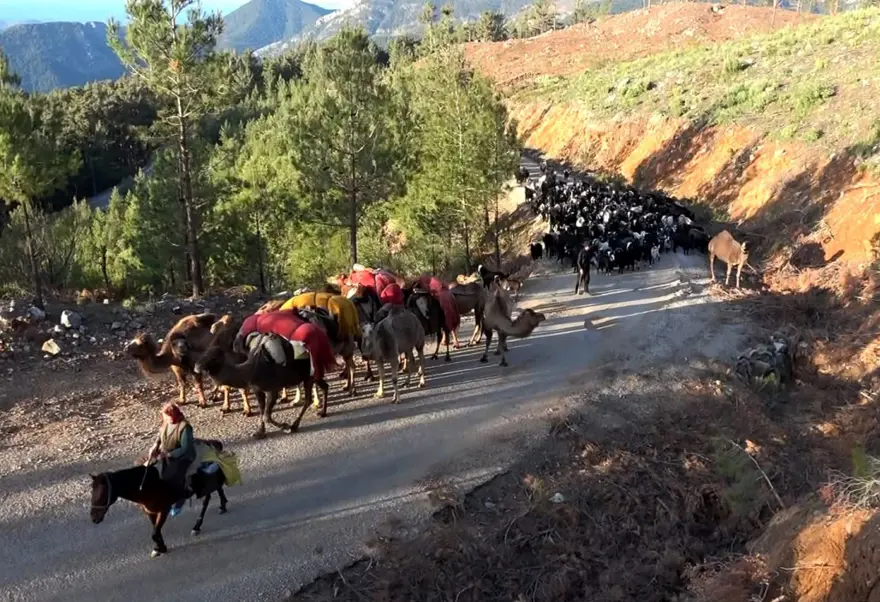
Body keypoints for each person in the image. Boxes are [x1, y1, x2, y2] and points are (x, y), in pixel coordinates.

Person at [147, 402, 197, 512]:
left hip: (182, 456)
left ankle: (180, 498)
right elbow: (160, 437)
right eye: (166, 417)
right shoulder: (166, 423)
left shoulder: (185, 427)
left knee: (174, 475)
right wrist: (155, 446)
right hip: (166, 453)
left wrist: (168, 454)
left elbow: (185, 448)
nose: (168, 419)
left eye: (170, 417)